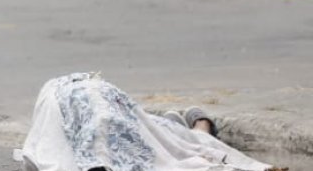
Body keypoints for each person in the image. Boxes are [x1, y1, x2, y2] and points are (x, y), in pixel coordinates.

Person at [20, 73, 276, 171]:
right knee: (165, 148)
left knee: (160, 145)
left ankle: (191, 126)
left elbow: (37, 158)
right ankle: (198, 126)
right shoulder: (60, 154)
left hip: (93, 97)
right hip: (88, 102)